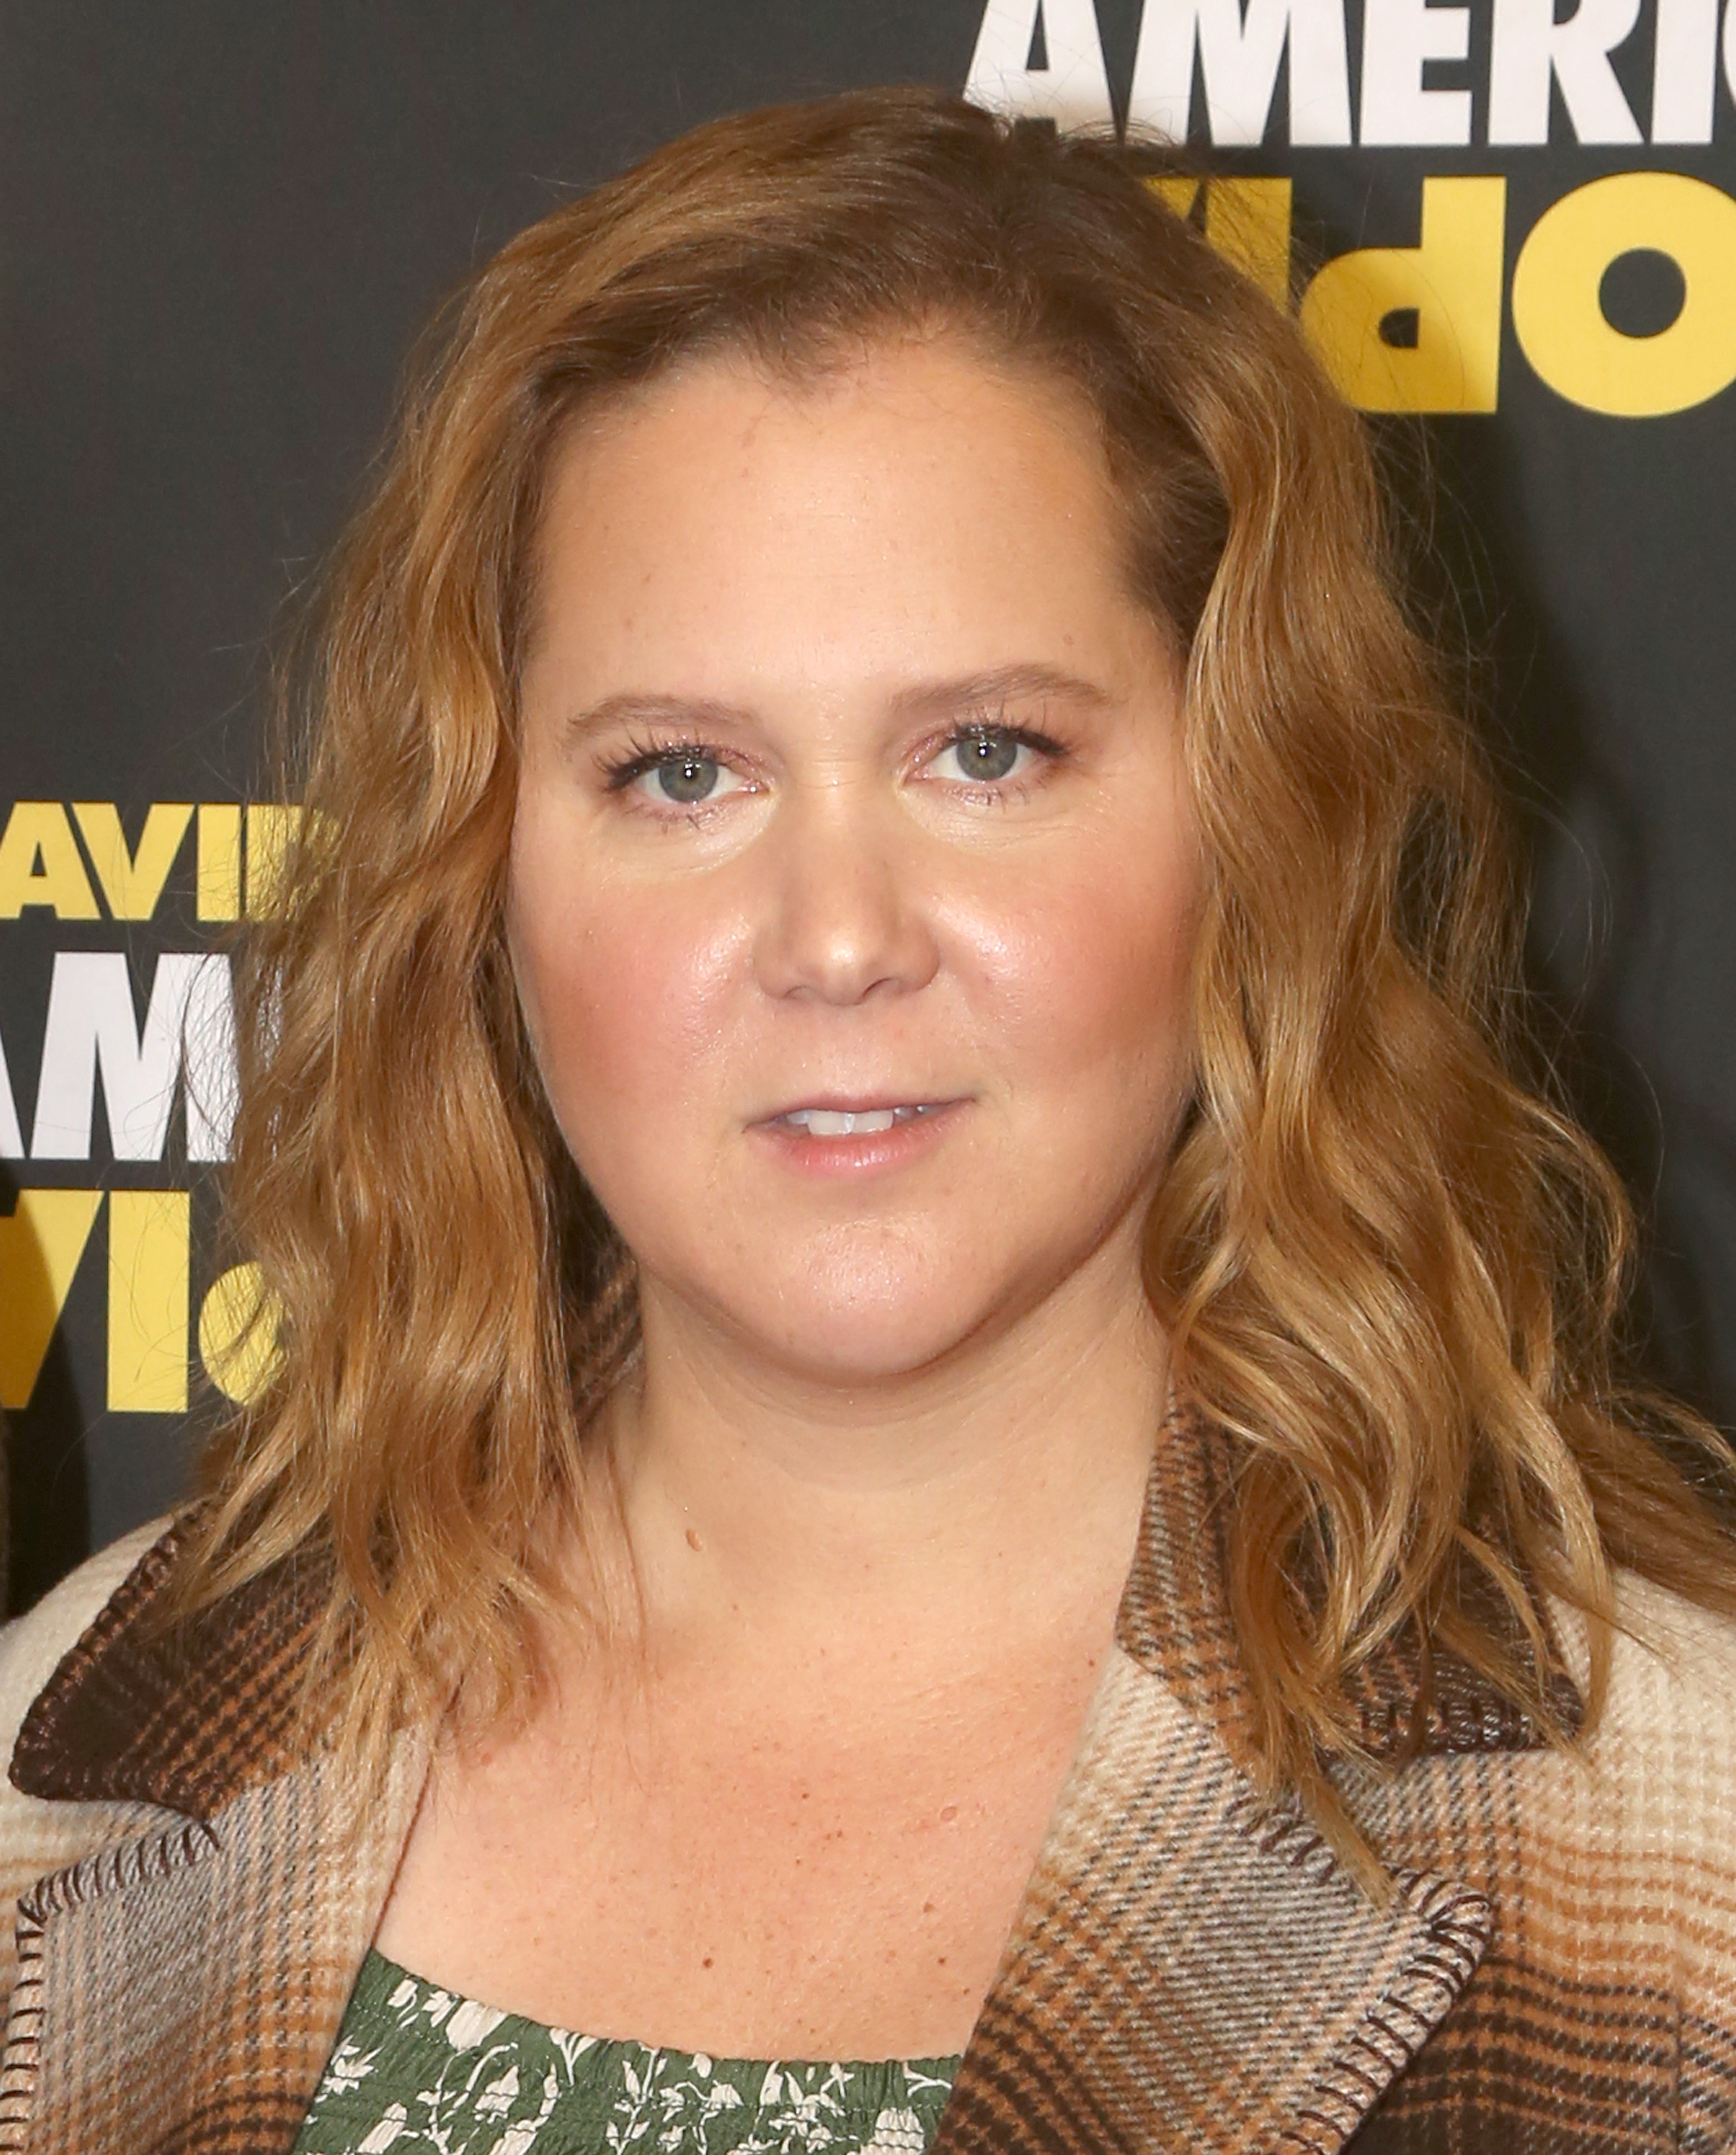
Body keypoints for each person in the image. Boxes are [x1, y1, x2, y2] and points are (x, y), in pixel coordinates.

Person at [0, 84, 1733, 2155]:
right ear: (483, 867)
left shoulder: (1678, 1850)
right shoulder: (62, 1766)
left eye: (986, 750)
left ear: (1251, 820)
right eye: (678, 774)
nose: (835, 939)